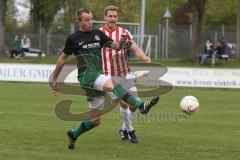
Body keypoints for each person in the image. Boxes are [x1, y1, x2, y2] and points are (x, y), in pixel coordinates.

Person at [50, 8, 159, 149]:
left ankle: (74, 135)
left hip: (97, 75)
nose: (90, 22)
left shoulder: (97, 34)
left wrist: (121, 43)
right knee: (114, 84)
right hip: (87, 75)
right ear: (79, 21)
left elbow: (115, 47)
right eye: (87, 20)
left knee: (96, 120)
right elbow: (62, 58)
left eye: (91, 19)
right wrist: (54, 78)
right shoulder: (73, 38)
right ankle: (141, 105)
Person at [100, 5, 151, 143]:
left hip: (125, 74)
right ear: (105, 17)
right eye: (110, 16)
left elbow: (135, 48)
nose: (112, 18)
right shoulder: (98, 34)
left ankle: (124, 128)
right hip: (108, 77)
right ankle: (131, 131)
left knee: (134, 105)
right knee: (124, 103)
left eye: (115, 16)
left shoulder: (124, 32)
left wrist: (144, 56)